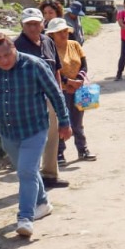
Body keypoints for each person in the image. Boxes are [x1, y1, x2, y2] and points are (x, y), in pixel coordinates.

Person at [0, 35, 71, 238]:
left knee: (25, 171)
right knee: (29, 172)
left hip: (35, 128)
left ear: (14, 47)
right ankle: (42, 203)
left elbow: (55, 93)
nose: (4, 60)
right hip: (8, 133)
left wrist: (64, 121)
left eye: (7, 54)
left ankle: (25, 218)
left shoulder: (34, 65)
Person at [14, 7, 66, 189]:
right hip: (29, 99)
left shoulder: (48, 42)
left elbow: (56, 69)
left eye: (36, 24)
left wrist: (58, 93)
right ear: (22, 25)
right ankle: (33, 178)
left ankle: (50, 174)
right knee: (34, 139)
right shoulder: (16, 46)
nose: (33, 28)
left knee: (52, 136)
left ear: (43, 24)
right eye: (29, 24)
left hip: (50, 96)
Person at [45, 18, 94, 164]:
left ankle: (83, 149)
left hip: (80, 88)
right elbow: (53, 70)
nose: (63, 34)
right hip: (61, 90)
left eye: (65, 31)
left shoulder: (75, 45)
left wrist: (78, 80)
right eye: (59, 32)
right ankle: (59, 152)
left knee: (78, 121)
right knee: (62, 121)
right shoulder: (50, 48)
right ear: (52, 34)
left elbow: (84, 65)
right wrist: (68, 82)